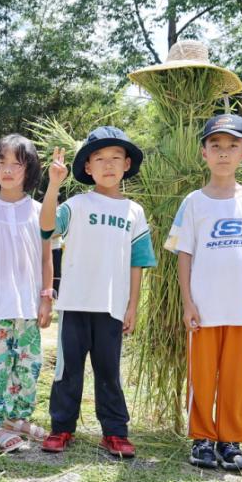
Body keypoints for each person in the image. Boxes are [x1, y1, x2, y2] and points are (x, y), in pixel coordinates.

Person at [39, 126, 157, 457]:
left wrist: (133, 304)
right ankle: (61, 428)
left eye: (116, 158)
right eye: (100, 158)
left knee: (109, 371)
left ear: (127, 164)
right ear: (87, 168)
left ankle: (115, 432)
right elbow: (46, 227)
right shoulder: (76, 205)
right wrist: (53, 185)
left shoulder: (134, 212)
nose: (108, 164)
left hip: (112, 307)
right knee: (68, 371)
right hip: (75, 303)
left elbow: (138, 262)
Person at [165, 114, 242, 471]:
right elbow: (184, 254)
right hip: (205, 308)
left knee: (237, 377)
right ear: (203, 153)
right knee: (203, 376)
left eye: (232, 146)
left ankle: (230, 440)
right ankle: (203, 439)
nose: (224, 153)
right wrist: (188, 302)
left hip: (240, 308)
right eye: (216, 146)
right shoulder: (194, 201)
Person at [0, 134, 54, 452]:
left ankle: (18, 418)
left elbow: (47, 257)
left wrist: (47, 296)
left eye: (16, 164)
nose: (7, 169)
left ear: (28, 169)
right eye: (0, 162)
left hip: (29, 305)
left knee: (28, 365)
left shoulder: (38, 212)